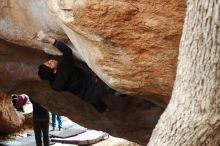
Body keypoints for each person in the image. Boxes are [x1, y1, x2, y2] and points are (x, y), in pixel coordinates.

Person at [37, 31, 115, 113]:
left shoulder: (54, 85)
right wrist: (48, 39)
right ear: (54, 71)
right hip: (95, 86)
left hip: (88, 97)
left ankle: (104, 110)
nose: (50, 60)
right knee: (110, 86)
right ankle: (117, 92)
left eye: (47, 62)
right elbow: (67, 51)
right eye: (50, 64)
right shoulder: (65, 69)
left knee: (94, 100)